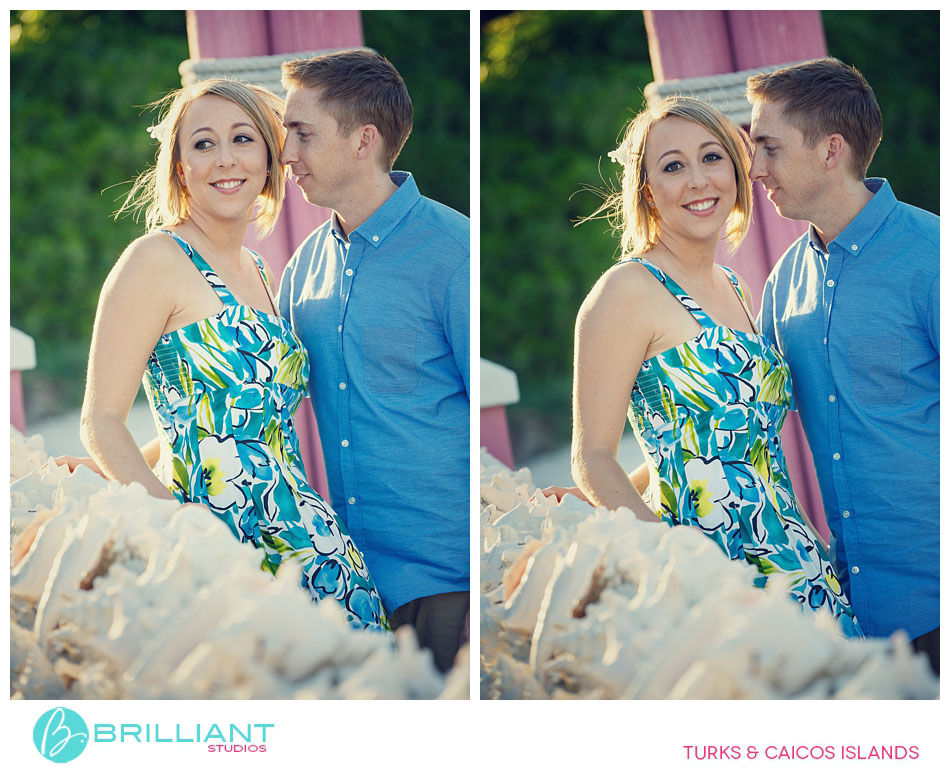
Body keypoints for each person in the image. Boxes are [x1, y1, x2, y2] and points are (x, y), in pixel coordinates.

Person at [75, 78, 387, 632]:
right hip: (218, 545)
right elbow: (100, 422)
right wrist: (187, 535)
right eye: (202, 143)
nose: (225, 159)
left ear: (270, 159)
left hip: (313, 548)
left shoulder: (262, 274)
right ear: (179, 167)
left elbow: (214, 418)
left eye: (243, 138)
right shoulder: (153, 259)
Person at [549, 95, 860, 637]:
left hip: (792, 559)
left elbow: (701, 439)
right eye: (673, 166)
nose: (698, 180)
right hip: (703, 570)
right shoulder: (625, 292)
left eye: (712, 157)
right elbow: (592, 457)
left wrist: (634, 482)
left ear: (738, 175)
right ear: (648, 191)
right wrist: (684, 571)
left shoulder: (735, 287)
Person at [277, 49, 470, 671]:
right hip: (347, 583)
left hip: (448, 580)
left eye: (302, 133)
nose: (286, 154)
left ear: (364, 141)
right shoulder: (303, 267)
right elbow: (252, 401)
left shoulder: (455, 251)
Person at [747, 58, 938, 671]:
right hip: (855, 615)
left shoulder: (933, 258)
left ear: (831, 150)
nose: (755, 169)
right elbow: (737, 418)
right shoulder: (783, 286)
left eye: (769, 148)